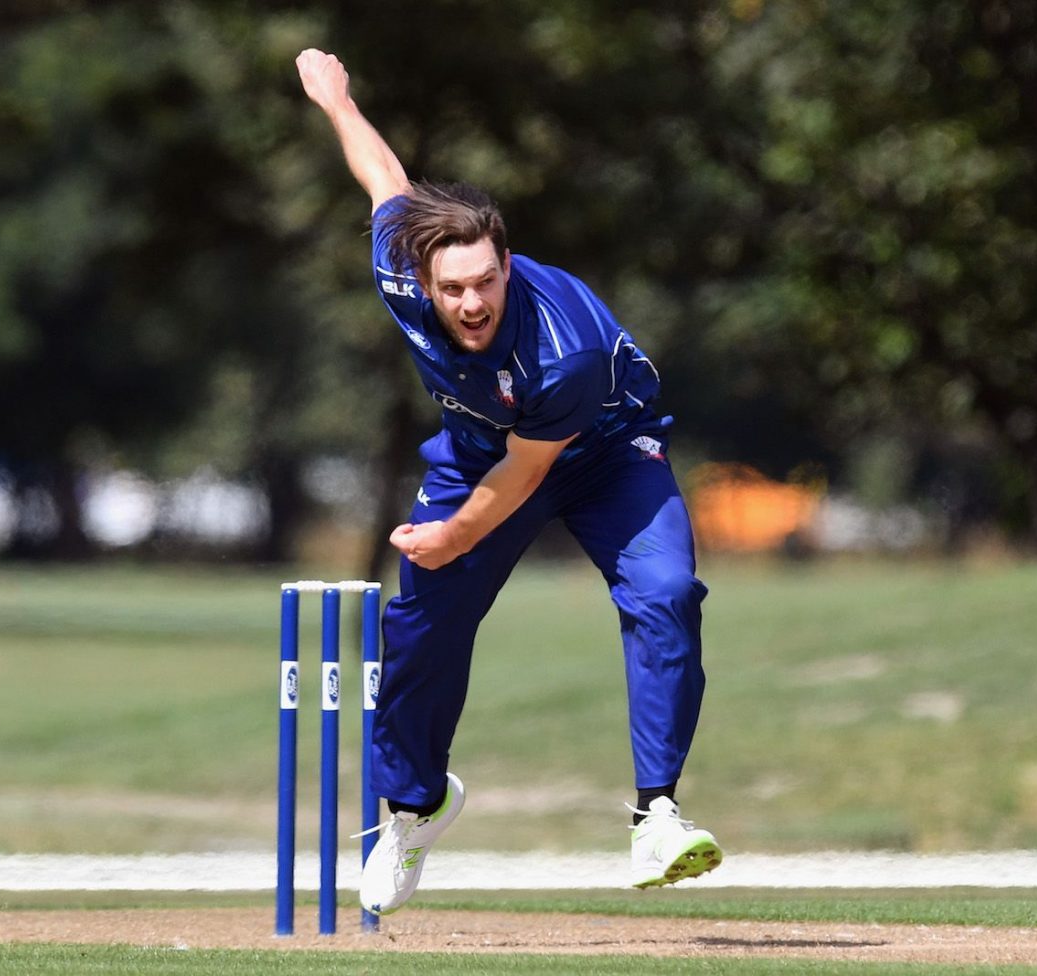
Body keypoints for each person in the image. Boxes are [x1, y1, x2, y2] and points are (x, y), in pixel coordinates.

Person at [295, 48, 722, 916]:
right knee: (421, 620)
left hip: (604, 453)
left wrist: (450, 538)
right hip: (479, 449)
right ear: (422, 278)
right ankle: (414, 808)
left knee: (666, 592)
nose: (474, 303)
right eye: (453, 288)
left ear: (507, 262)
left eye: (488, 280)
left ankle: (657, 814)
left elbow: (531, 474)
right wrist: (338, 101)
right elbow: (383, 176)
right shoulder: (397, 267)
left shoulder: (566, 347)